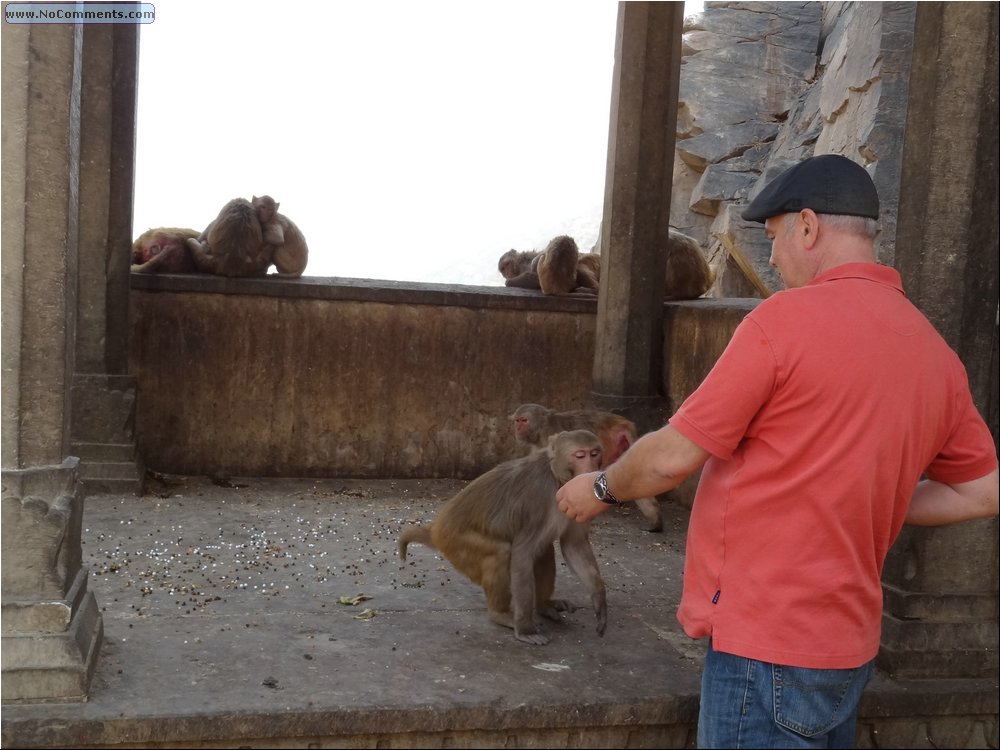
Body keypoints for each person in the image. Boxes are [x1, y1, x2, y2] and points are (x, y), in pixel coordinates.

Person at [556, 153, 999, 749]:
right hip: (848, 648)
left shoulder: (782, 323)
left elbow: (669, 459)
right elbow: (982, 491)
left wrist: (603, 486)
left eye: (773, 237)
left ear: (809, 226)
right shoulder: (934, 353)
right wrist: (876, 497)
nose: (771, 256)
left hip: (765, 654)